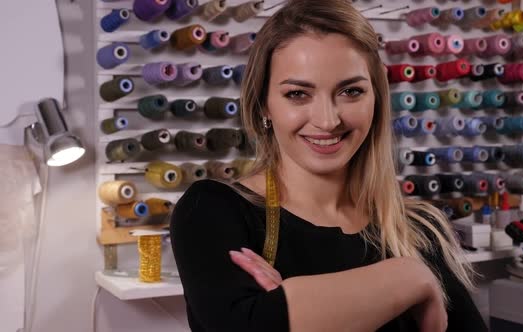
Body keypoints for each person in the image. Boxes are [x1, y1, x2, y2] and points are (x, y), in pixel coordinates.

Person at [170, 0, 488, 331]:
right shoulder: (213, 211)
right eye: (297, 94)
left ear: (375, 99)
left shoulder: (418, 231)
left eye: (351, 91)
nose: (327, 120)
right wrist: (409, 277)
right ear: (264, 105)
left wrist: (290, 305)